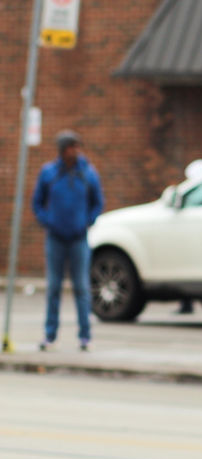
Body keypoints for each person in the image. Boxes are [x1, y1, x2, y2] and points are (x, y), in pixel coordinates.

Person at [31, 130, 104, 351]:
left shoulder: (88, 173)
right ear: (63, 150)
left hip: (78, 238)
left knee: (81, 287)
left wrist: (87, 221)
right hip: (55, 238)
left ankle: (85, 335)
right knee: (54, 287)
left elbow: (97, 203)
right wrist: (48, 221)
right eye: (72, 147)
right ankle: (50, 335)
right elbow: (37, 202)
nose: (76, 150)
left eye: (77, 146)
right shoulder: (49, 173)